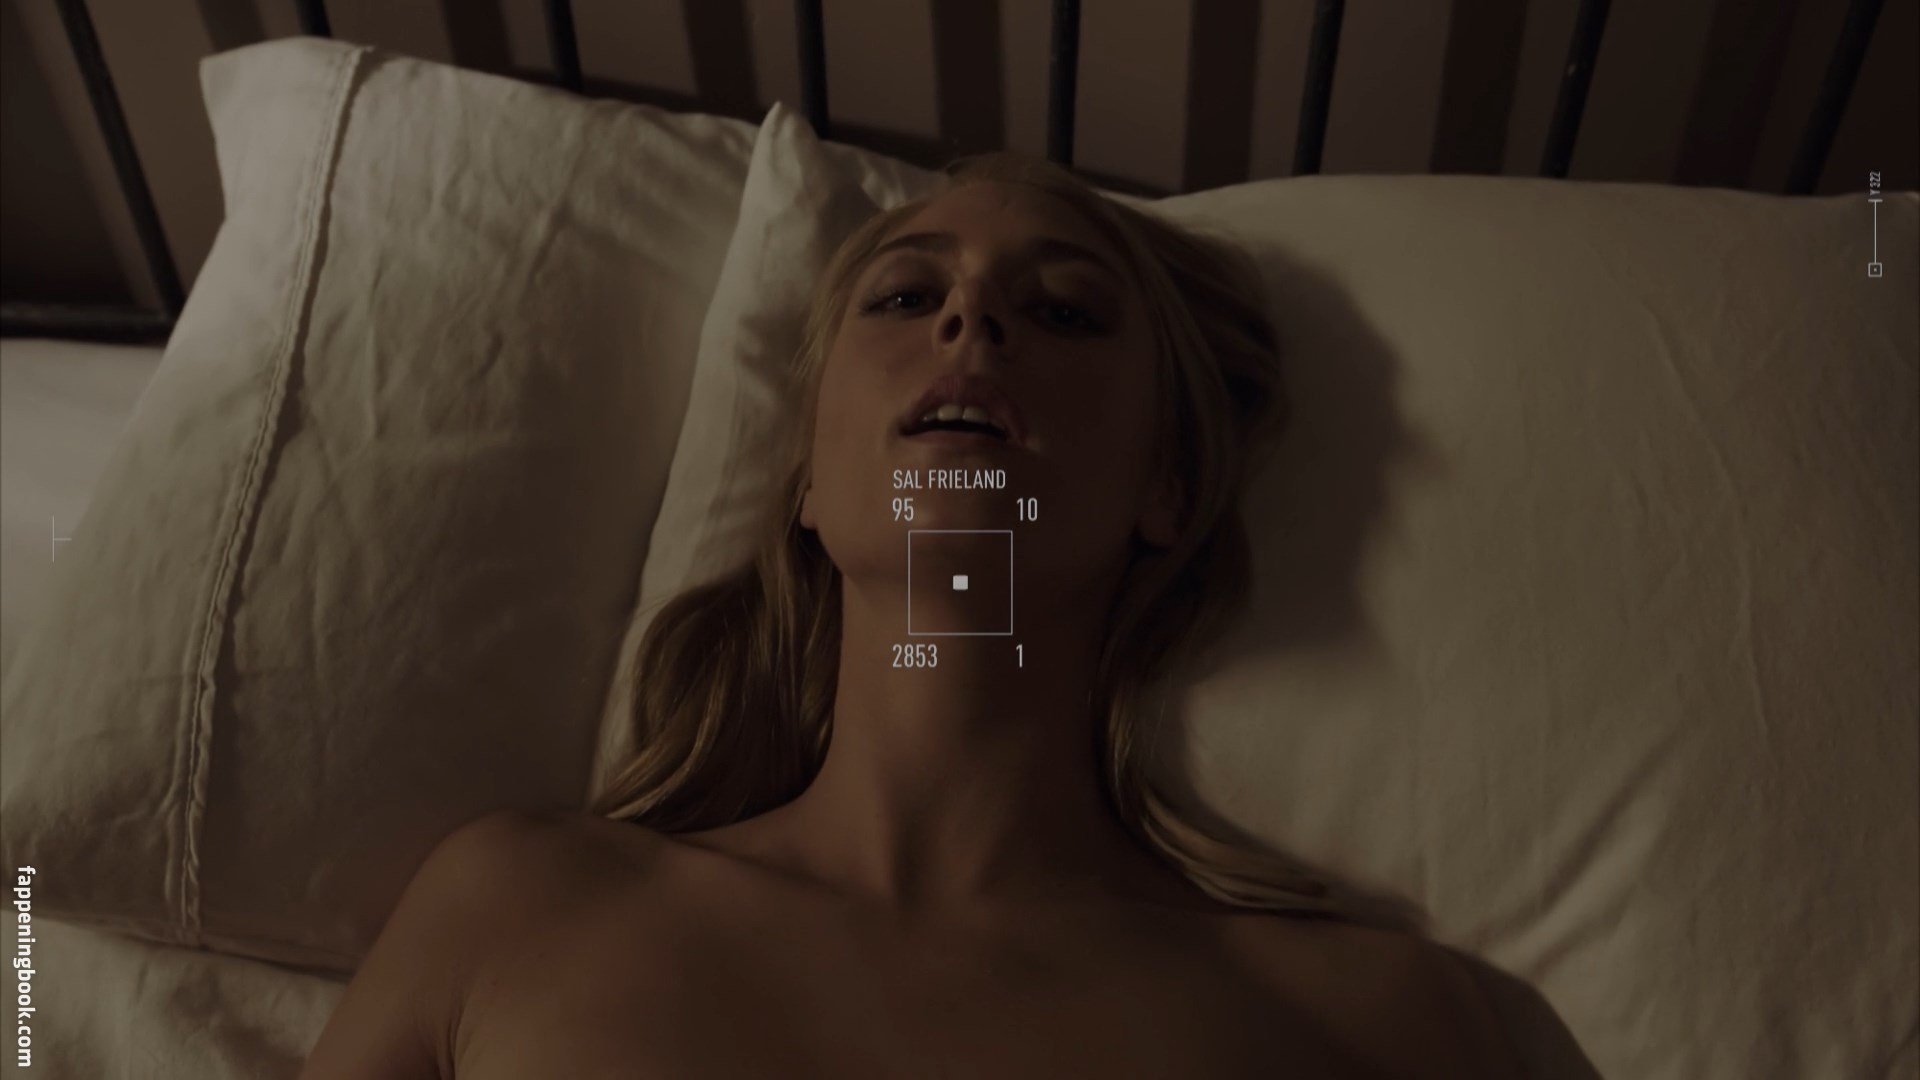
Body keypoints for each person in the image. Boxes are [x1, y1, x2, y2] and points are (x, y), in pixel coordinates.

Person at [298, 152, 1527, 1078]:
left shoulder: (1374, 1021)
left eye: (1064, 310)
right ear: (809, 484)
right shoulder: (514, 909)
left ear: (1168, 482)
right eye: (903, 296)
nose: (968, 319)